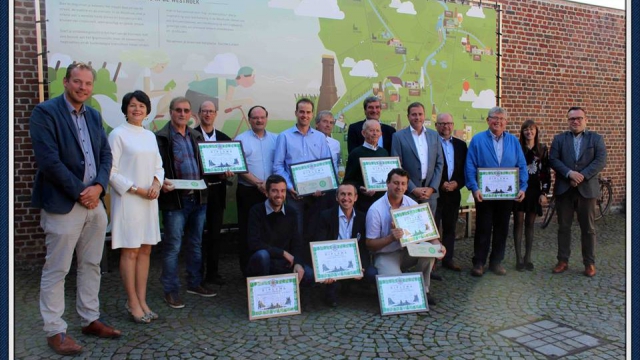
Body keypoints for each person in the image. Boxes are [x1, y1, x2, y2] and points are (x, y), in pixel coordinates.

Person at [30, 62, 119, 355]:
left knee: (92, 264)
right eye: (77, 82)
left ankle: (89, 318)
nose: (83, 88)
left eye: (88, 84)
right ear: (66, 82)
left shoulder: (94, 115)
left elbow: (105, 155)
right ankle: (55, 330)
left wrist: (99, 187)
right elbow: (49, 161)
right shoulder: (45, 113)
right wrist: (83, 192)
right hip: (64, 203)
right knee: (57, 268)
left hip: (94, 203)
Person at [108, 90, 164, 324]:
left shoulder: (149, 136)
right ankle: (132, 301)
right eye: (132, 106)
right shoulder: (117, 135)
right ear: (125, 109)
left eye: (141, 106)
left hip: (150, 200)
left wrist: (156, 183)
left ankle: (142, 299)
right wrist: (137, 190)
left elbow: (158, 166)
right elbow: (111, 171)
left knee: (145, 250)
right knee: (130, 251)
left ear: (147, 110)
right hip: (129, 201)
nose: (137, 109)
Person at [156, 97, 217, 309]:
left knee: (195, 244)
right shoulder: (161, 138)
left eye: (186, 111)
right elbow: (155, 167)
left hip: (198, 198)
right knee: (173, 246)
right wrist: (159, 181)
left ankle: (194, 283)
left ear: (191, 114)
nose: (183, 114)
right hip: (175, 201)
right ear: (171, 112)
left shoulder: (196, 136)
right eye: (178, 110)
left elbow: (207, 165)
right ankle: (171, 290)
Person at [366, 169, 445, 306]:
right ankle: (400, 281)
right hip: (386, 255)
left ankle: (424, 289)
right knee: (397, 289)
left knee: (429, 248)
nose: (399, 187)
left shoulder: (413, 205)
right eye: (396, 183)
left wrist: (439, 246)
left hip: (409, 252)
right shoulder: (375, 210)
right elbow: (369, 244)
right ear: (387, 184)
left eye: (403, 184)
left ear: (407, 186)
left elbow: (429, 233)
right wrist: (391, 238)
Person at [465, 106, 528, 277]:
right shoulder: (477, 140)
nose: (498, 122)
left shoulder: (513, 141)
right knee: (483, 228)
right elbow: (470, 165)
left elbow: (521, 165)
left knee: (502, 228)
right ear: (488, 120)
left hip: (507, 195)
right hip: (484, 195)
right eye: (494, 118)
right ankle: (479, 262)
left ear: (506, 122)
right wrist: (474, 187)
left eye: (502, 119)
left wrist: (523, 187)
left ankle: (496, 262)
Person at [273, 98, 335, 258]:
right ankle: (299, 268)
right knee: (297, 232)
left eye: (308, 112)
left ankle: (315, 268)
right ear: (296, 113)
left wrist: (324, 186)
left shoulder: (320, 138)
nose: (304, 115)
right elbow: (278, 166)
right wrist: (289, 187)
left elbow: (326, 165)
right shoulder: (284, 137)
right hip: (295, 194)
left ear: (312, 114)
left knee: (317, 230)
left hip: (318, 194)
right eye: (301, 112)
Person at [549, 106, 607, 277]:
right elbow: (553, 159)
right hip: (565, 189)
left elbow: (600, 160)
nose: (575, 121)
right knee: (563, 227)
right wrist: (569, 173)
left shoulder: (596, 139)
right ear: (568, 121)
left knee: (588, 228)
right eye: (572, 119)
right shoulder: (559, 139)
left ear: (585, 120)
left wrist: (581, 175)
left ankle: (589, 263)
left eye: (579, 118)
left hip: (587, 190)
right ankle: (562, 260)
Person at [246, 175, 314, 285]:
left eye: (282, 191)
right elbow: (254, 243)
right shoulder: (256, 211)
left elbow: (297, 242)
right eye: (275, 191)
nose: (279, 195)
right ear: (266, 193)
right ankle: (262, 290)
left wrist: (297, 263)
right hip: (264, 261)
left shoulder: (291, 212)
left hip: (284, 263)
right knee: (262, 255)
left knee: (310, 275)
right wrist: (282, 253)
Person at [234, 105, 277, 276]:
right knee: (247, 232)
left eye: (262, 117)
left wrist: (269, 186)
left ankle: (270, 267)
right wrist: (258, 183)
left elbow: (279, 163)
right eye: (255, 117)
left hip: (272, 194)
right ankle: (247, 271)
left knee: (270, 231)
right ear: (250, 120)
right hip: (248, 192)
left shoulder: (276, 139)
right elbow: (239, 166)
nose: (259, 120)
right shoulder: (241, 139)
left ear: (266, 118)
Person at [194, 100, 233, 286]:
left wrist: (229, 172)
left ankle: (213, 273)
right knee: (197, 235)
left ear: (216, 114)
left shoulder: (225, 139)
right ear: (199, 113)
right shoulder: (191, 136)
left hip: (218, 192)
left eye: (211, 111)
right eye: (204, 111)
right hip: (197, 192)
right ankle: (196, 275)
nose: (208, 114)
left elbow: (231, 163)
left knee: (215, 235)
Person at [314, 183, 367, 306]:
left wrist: (362, 266)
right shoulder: (325, 216)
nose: (346, 198)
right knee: (330, 285)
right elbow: (320, 243)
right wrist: (323, 269)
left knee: (369, 273)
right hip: (331, 259)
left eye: (350, 194)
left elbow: (364, 246)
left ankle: (348, 286)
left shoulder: (362, 217)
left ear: (356, 197)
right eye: (342, 194)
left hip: (352, 261)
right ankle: (332, 291)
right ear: (336, 197)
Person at [390, 102, 443, 212]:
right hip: (408, 193)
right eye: (414, 114)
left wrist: (432, 188)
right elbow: (397, 166)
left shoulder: (434, 135)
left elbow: (439, 163)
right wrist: (413, 188)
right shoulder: (398, 137)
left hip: (430, 195)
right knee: (408, 228)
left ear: (424, 115)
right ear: (408, 117)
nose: (417, 117)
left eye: (420, 114)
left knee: (428, 228)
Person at [512, 120, 551, 271]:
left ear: (536, 131)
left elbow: (546, 173)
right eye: (526, 129)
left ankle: (527, 258)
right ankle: (518, 258)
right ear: (522, 132)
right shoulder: (518, 148)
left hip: (535, 190)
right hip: (520, 189)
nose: (529, 132)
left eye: (532, 129)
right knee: (518, 223)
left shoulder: (542, 149)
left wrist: (544, 193)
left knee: (530, 224)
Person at [434, 113, 468, 272]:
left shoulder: (461, 145)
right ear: (436, 126)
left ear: (453, 125)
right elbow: (429, 168)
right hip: (436, 193)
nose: (445, 126)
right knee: (433, 229)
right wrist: (440, 184)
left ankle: (448, 259)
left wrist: (457, 183)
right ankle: (431, 262)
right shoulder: (431, 143)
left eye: (448, 123)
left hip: (454, 193)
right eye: (442, 123)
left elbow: (465, 170)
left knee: (450, 228)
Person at [343, 119, 388, 213]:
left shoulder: (384, 152)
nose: (375, 133)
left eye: (377, 130)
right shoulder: (356, 153)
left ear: (381, 134)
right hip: (363, 203)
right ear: (363, 133)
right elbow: (348, 180)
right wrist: (360, 188)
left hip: (383, 202)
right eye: (371, 130)